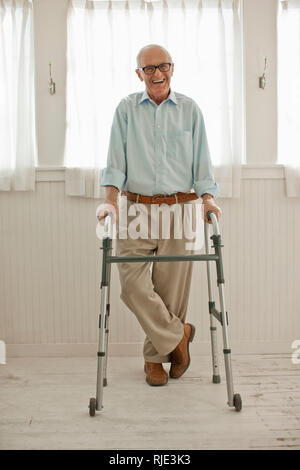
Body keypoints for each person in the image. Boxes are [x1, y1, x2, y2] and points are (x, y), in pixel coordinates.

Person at [97, 44, 221, 387]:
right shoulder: (125, 110)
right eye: (148, 68)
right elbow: (115, 163)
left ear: (172, 68)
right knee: (131, 285)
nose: (156, 74)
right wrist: (109, 201)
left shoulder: (190, 110)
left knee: (170, 291)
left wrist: (208, 200)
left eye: (162, 66)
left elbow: (203, 164)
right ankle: (178, 334)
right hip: (136, 207)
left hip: (180, 210)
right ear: (139, 74)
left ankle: (155, 359)